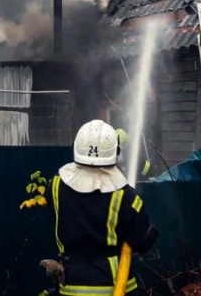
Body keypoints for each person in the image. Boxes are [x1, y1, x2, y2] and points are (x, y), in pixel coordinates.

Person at [46, 119, 159, 295]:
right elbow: (140, 241)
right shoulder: (125, 195)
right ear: (116, 152)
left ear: (75, 148)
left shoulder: (54, 185)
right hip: (116, 287)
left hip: (70, 286)